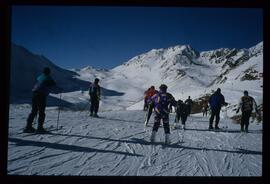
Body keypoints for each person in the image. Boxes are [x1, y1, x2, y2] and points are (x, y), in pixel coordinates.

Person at [24, 67, 62, 133]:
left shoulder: (40, 77)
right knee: (41, 112)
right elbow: (55, 87)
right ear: (49, 72)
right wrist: (61, 89)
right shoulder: (48, 78)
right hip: (41, 96)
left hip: (34, 94)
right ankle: (40, 128)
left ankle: (28, 127)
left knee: (34, 111)